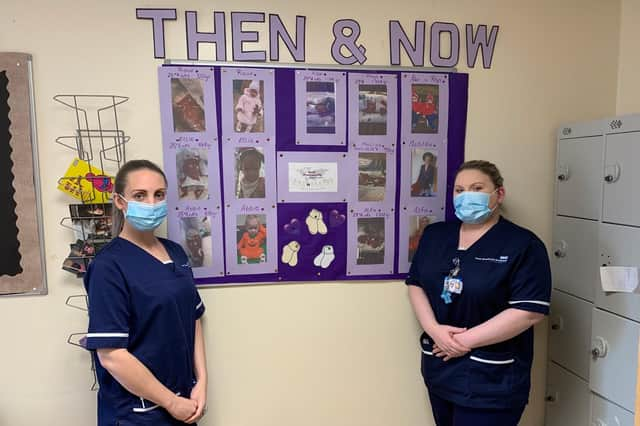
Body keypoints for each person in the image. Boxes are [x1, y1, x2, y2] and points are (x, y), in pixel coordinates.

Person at [406, 160, 551, 426]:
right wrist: (435, 330)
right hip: (441, 367)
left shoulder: (523, 244)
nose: (466, 195)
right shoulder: (435, 235)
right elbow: (416, 283)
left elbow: (529, 312)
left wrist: (462, 342)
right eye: (459, 190)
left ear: (499, 193)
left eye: (477, 187)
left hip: (492, 378)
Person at [84, 159, 208, 425]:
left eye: (159, 195)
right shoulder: (108, 266)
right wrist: (171, 403)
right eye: (140, 195)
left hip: (186, 402)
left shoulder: (176, 252)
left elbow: (194, 319)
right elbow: (112, 356)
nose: (151, 203)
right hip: (137, 413)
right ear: (119, 201)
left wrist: (201, 383)